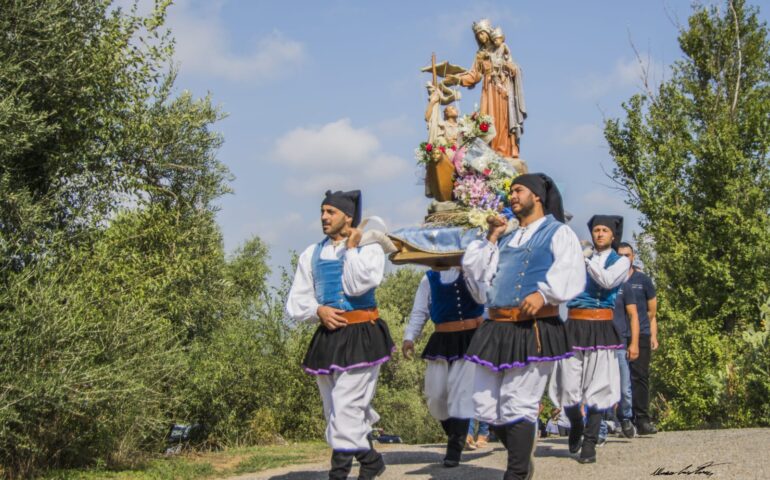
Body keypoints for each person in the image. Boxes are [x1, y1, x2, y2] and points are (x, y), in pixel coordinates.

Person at [462, 173, 585, 479]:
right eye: (511, 192)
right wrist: (491, 236)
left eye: (518, 190)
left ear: (538, 196)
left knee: (519, 403)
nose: (512, 196)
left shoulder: (558, 232)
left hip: (534, 328)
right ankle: (523, 457)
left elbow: (571, 270)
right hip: (496, 327)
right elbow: (478, 279)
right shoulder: (505, 237)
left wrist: (544, 293)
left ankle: (516, 473)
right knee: (485, 405)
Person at [286, 190, 393, 480]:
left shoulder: (368, 248)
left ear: (348, 216)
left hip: (362, 334)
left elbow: (361, 284)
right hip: (329, 337)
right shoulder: (311, 253)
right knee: (335, 409)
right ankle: (369, 462)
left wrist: (353, 247)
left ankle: (344, 472)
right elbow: (297, 299)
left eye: (330, 212)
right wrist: (318, 309)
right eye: (322, 211)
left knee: (346, 407)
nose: (323, 217)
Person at [549, 215, 630, 464]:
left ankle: (590, 441)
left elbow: (606, 280)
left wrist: (584, 259)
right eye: (596, 229)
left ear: (613, 236)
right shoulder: (579, 258)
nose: (600, 234)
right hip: (574, 324)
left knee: (599, 387)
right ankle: (575, 422)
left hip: (601, 325)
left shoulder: (621, 262)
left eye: (605, 230)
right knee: (568, 387)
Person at [403, 266, 483, 467]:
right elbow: (420, 311)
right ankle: (455, 435)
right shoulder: (428, 278)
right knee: (436, 395)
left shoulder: (474, 271)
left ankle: (454, 449)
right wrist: (409, 337)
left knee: (462, 393)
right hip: (442, 339)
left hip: (471, 339)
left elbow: (487, 299)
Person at [445, 19, 526, 159]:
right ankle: (490, 150)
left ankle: (505, 149)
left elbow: (512, 65)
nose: (481, 37)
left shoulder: (500, 47)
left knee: (503, 118)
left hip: (502, 88)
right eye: (478, 36)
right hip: (488, 91)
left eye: (482, 34)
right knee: (488, 119)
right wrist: (457, 79)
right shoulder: (480, 54)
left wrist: (510, 67)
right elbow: (474, 75)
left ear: (488, 33)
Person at [623, 244, 659, 435]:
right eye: (620, 255)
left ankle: (643, 420)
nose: (623, 258)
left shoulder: (643, 280)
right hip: (618, 334)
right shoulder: (610, 279)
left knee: (640, 377)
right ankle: (622, 420)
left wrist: (653, 334)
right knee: (620, 380)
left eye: (627, 255)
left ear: (633, 256)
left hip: (642, 332)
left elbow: (652, 311)